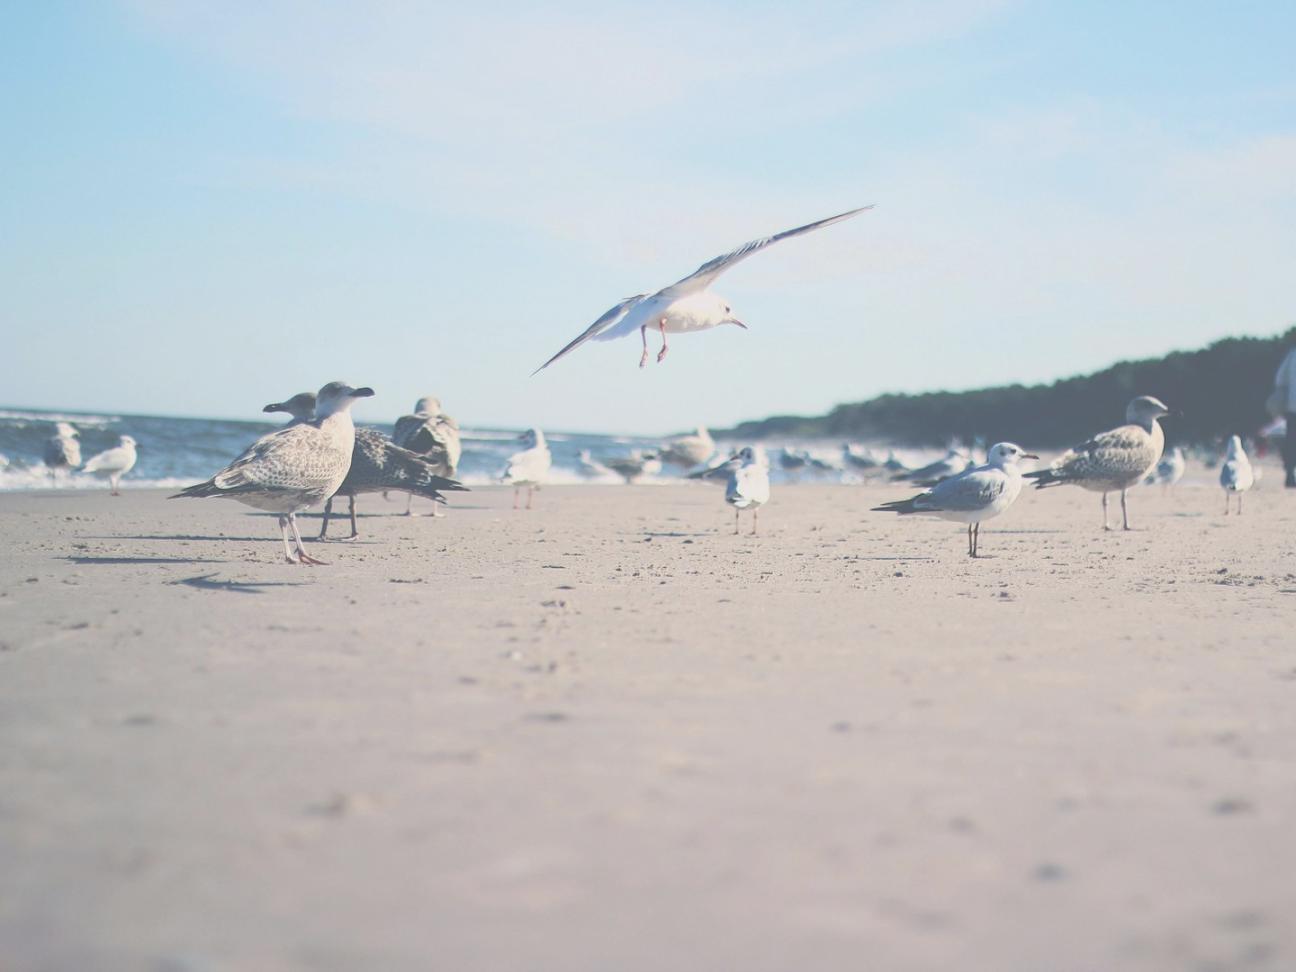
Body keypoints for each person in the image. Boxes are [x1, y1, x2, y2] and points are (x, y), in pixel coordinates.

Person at [1275, 340, 1296, 488]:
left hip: (1292, 406)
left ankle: (1290, 474)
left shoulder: (1292, 354)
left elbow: (1279, 379)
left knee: (1291, 442)